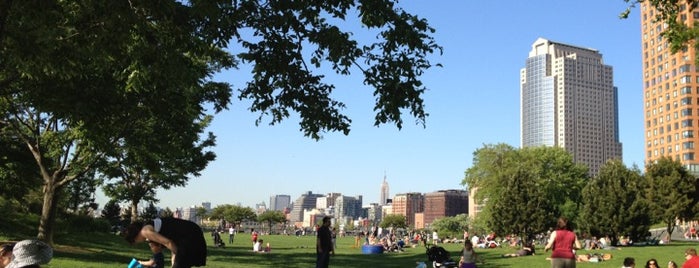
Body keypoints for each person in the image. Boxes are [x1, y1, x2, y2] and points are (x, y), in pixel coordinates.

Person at [125, 217, 207, 268]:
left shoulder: (145, 231)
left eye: (134, 241)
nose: (137, 243)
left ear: (135, 235)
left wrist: (179, 259)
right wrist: (174, 262)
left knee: (181, 263)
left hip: (190, 233)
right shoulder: (149, 232)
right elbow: (172, 244)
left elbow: (168, 243)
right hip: (188, 233)